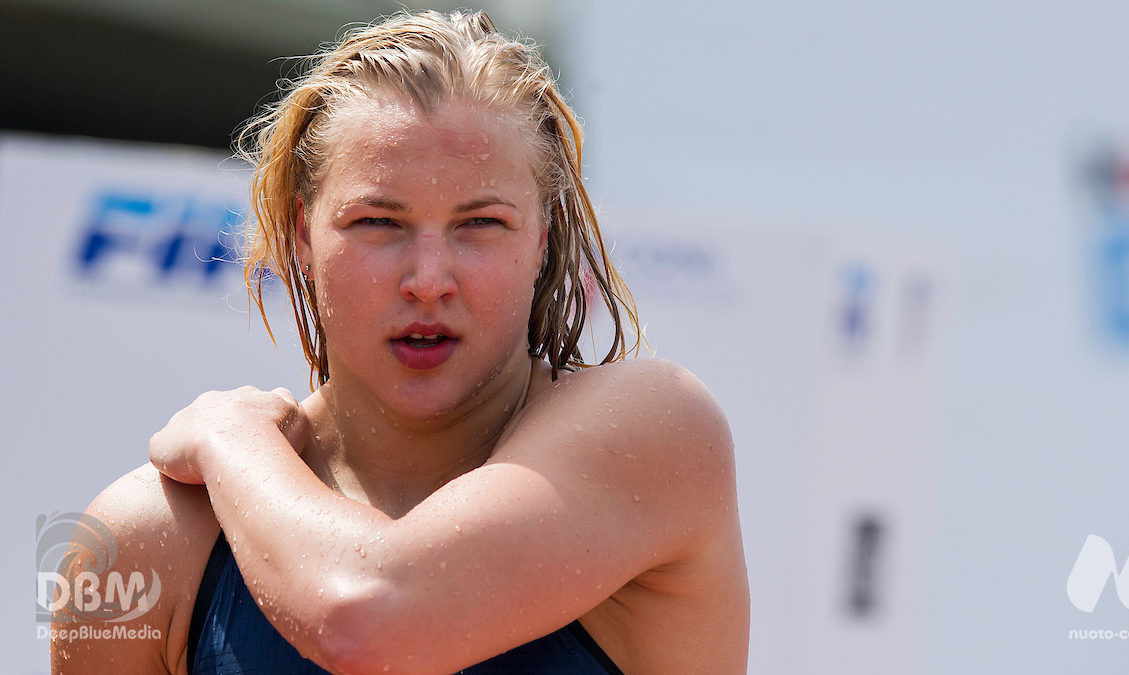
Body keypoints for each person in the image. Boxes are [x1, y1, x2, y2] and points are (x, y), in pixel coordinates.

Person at [51, 9, 749, 674]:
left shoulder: (658, 432)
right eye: (378, 222)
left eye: (480, 224)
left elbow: (369, 621)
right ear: (301, 235)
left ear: (541, 237)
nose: (427, 280)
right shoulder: (149, 539)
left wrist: (230, 441)